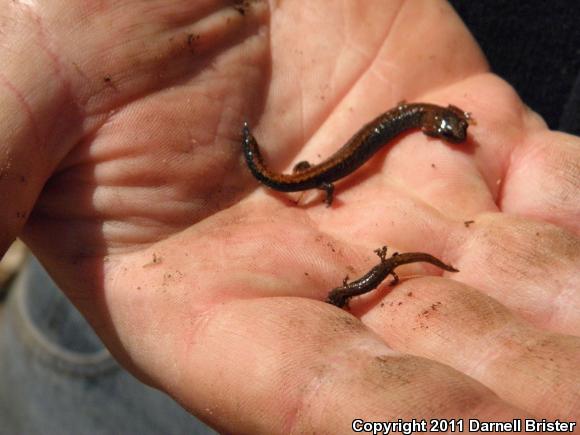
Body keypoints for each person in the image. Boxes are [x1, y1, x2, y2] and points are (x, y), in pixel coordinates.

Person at [0, 1, 578, 433]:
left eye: (450, 131)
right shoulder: (409, 121)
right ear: (434, 122)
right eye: (448, 130)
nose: (450, 135)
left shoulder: (420, 116)